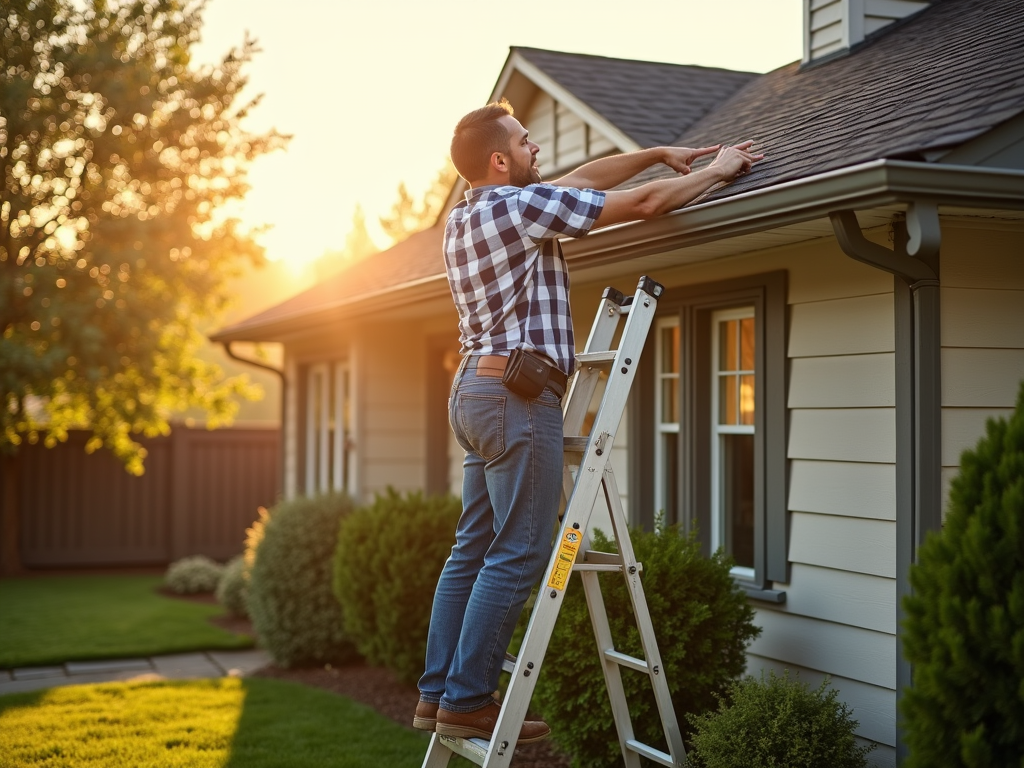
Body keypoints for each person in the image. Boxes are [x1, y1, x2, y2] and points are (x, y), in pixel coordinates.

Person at [415, 98, 763, 744]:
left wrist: (660, 154)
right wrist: (717, 170)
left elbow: (586, 181)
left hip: (475, 392)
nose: (536, 149)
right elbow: (645, 206)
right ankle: (467, 699)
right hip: (517, 400)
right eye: (525, 142)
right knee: (520, 554)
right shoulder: (518, 209)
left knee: (472, 550)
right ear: (500, 159)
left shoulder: (469, 215)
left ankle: (438, 693)